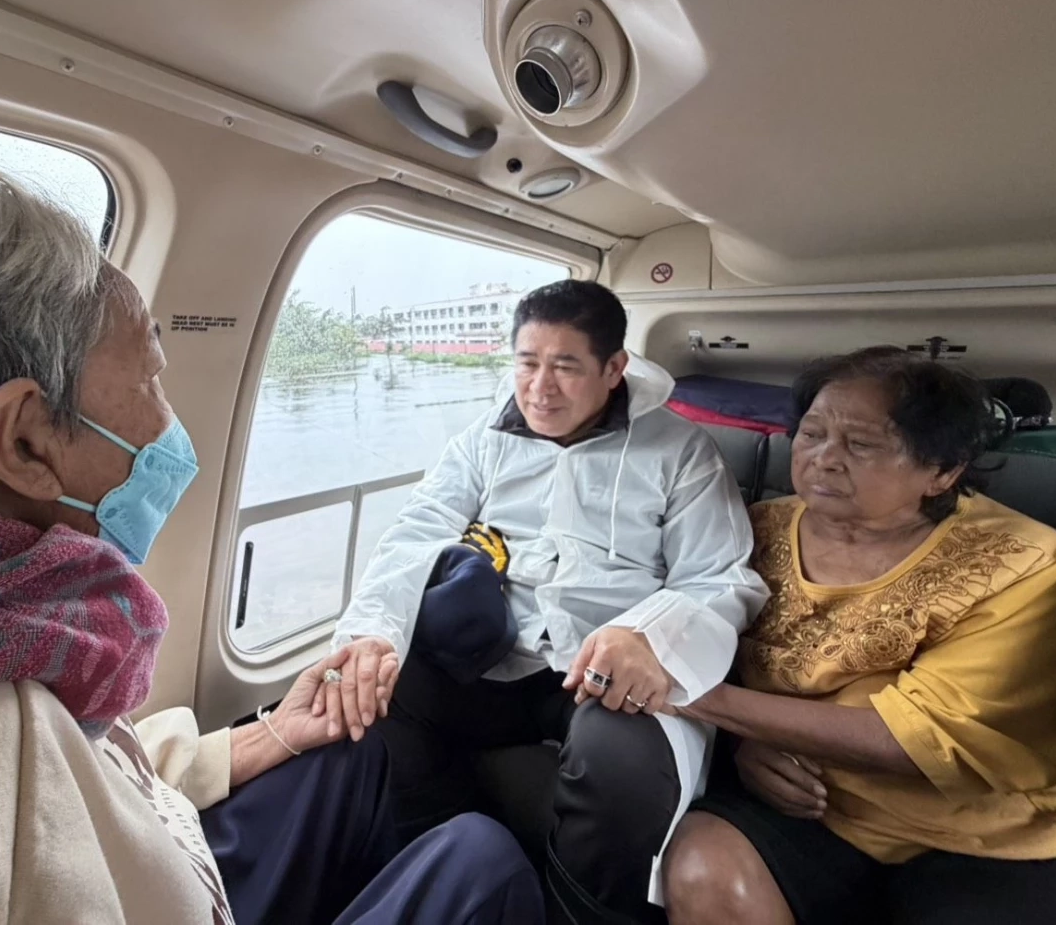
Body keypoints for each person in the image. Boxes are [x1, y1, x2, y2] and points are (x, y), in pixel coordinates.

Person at [0, 155, 544, 925]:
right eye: (148, 375)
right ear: (29, 443)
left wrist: (270, 735)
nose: (169, 422)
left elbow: (86, 773)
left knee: (348, 760)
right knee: (480, 861)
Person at [322, 279, 770, 922]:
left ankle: (572, 912)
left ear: (614, 369)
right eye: (527, 364)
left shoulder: (678, 452)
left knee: (619, 767)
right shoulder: (483, 439)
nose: (539, 388)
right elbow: (415, 534)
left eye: (565, 367)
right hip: (495, 652)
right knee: (378, 697)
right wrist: (372, 635)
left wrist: (649, 634)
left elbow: (721, 577)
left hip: (603, 665)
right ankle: (454, 877)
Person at [660, 347, 1056, 925]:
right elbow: (709, 641)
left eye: (861, 445)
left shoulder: (1026, 563)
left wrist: (699, 698)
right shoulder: (749, 529)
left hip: (988, 835)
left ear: (942, 471)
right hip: (810, 809)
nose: (824, 459)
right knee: (702, 864)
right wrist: (740, 746)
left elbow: (920, 738)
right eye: (811, 434)